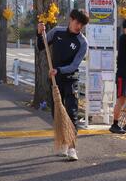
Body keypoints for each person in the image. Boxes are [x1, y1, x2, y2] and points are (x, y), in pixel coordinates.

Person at [37, 9, 89, 161]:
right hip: (55, 81)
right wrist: (39, 32)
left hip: (71, 80)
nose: (79, 26)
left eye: (82, 24)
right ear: (71, 19)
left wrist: (58, 70)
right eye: (77, 22)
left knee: (71, 112)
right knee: (57, 113)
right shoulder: (57, 32)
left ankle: (72, 148)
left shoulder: (82, 42)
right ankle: (64, 144)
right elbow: (42, 45)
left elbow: (74, 65)